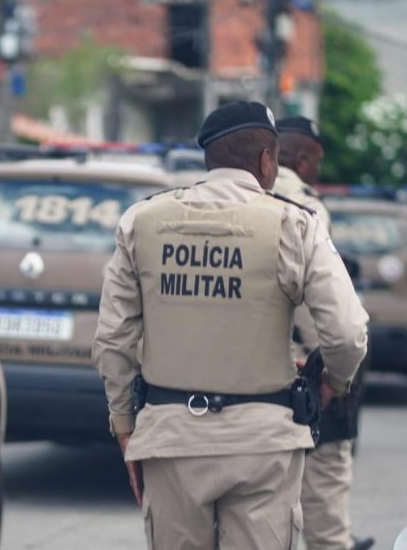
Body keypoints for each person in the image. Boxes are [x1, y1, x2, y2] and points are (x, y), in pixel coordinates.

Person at [93, 101, 369, 549]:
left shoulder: (142, 222)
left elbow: (112, 341)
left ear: (210, 158)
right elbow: (347, 331)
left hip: (171, 437)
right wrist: (333, 382)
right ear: (266, 160)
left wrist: (125, 425)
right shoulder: (294, 224)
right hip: (263, 442)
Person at [274, 116, 375, 550]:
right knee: (325, 483)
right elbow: (325, 313)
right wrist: (334, 376)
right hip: (303, 368)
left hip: (239, 377)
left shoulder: (221, 196)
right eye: (315, 163)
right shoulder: (305, 206)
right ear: (300, 159)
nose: (317, 172)